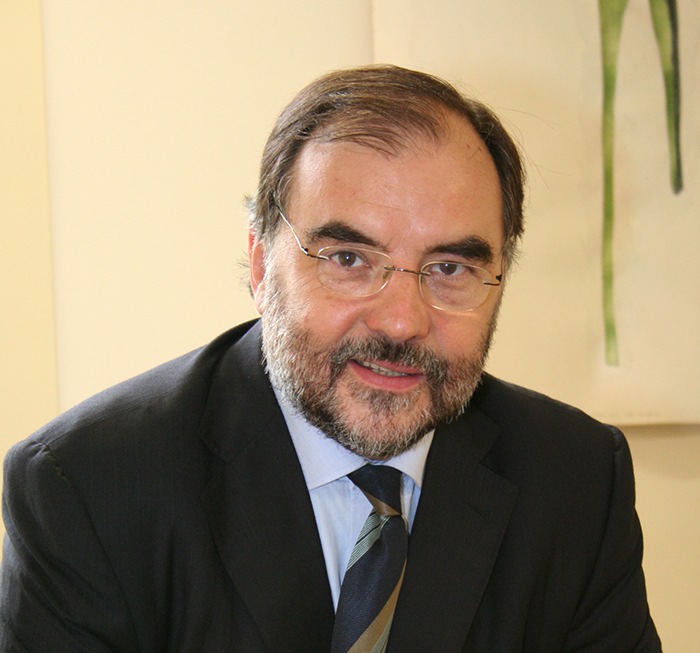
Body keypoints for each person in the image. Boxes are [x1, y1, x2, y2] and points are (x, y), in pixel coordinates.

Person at [0, 65, 661, 652]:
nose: (402, 321)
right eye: (349, 259)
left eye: (450, 268)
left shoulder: (576, 480)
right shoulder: (88, 486)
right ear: (261, 264)